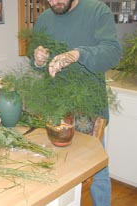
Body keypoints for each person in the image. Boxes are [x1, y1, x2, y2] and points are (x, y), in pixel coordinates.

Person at [32, 0, 122, 205]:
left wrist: (77, 54)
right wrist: (38, 60)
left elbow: (112, 53)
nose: (54, 1)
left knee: (97, 170)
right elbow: (37, 64)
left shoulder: (98, 11)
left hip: (88, 109)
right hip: (54, 108)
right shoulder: (44, 19)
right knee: (57, 167)